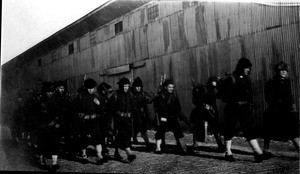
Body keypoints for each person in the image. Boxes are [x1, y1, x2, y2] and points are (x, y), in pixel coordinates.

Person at [223, 58, 265, 163]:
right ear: (241, 68)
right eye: (246, 68)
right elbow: (225, 96)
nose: (248, 70)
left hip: (245, 109)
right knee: (230, 130)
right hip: (233, 109)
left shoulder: (247, 79)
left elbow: (249, 94)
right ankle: (228, 153)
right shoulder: (232, 78)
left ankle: (258, 153)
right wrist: (235, 101)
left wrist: (251, 105)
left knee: (249, 130)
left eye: (249, 68)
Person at [263, 61, 299, 156]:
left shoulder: (287, 82)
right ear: (277, 71)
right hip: (275, 110)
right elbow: (267, 97)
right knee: (269, 130)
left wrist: (293, 109)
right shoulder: (272, 82)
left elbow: (290, 97)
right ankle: (265, 149)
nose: (284, 72)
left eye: (285, 70)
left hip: (286, 111)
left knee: (293, 131)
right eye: (281, 70)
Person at [76, 78, 108, 165]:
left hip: (94, 121)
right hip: (84, 121)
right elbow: (76, 109)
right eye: (89, 88)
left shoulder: (97, 96)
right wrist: (82, 116)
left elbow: (102, 110)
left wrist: (99, 105)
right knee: (84, 138)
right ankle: (83, 154)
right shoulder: (80, 97)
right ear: (85, 88)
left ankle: (99, 155)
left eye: (92, 88)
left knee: (97, 137)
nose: (90, 90)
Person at [190, 76, 225, 152]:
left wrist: (214, 112)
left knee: (215, 128)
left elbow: (214, 101)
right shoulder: (205, 90)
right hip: (202, 112)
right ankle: (195, 144)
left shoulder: (213, 90)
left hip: (209, 112)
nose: (215, 83)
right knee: (198, 127)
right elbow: (199, 102)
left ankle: (220, 144)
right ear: (211, 82)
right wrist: (202, 111)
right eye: (214, 81)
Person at [154, 79, 187, 155]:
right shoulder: (161, 96)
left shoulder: (174, 95)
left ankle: (183, 148)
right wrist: (163, 117)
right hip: (164, 117)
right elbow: (161, 108)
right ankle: (158, 148)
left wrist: (179, 114)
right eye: (169, 87)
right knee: (160, 132)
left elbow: (178, 107)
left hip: (172, 117)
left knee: (179, 132)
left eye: (172, 87)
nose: (171, 89)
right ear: (165, 87)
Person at [111, 77, 137, 163]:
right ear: (121, 86)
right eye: (124, 86)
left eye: (127, 86)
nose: (126, 88)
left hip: (128, 120)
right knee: (121, 135)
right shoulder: (115, 95)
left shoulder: (130, 94)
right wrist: (117, 113)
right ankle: (128, 153)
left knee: (126, 136)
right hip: (118, 120)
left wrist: (133, 114)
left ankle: (117, 153)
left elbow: (134, 106)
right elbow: (111, 109)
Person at [37, 82, 60, 171]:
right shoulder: (40, 102)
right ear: (44, 92)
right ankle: (41, 160)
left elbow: (60, 113)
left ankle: (54, 162)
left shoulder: (56, 100)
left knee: (54, 143)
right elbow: (35, 115)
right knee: (42, 144)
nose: (50, 93)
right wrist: (39, 125)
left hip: (53, 126)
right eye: (48, 92)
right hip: (42, 126)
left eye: (51, 92)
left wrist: (58, 123)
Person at [131, 77, 151, 150]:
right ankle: (134, 139)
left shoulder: (142, 94)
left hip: (141, 115)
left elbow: (145, 105)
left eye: (139, 87)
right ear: (134, 87)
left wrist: (147, 115)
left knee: (143, 130)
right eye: (137, 87)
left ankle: (147, 143)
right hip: (133, 115)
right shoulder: (131, 94)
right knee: (134, 129)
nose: (138, 88)